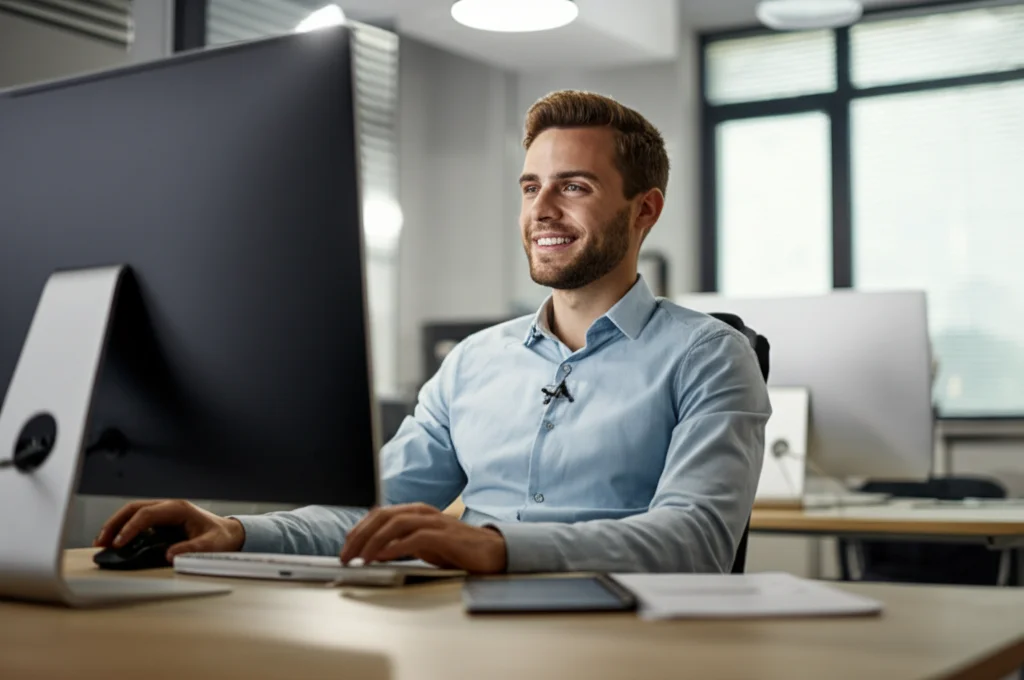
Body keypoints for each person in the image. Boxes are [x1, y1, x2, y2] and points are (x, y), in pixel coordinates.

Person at [95, 90, 771, 575]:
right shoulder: (474, 361)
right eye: (530, 186)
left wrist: (495, 547)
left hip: (624, 641)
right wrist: (234, 531)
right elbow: (371, 513)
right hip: (464, 628)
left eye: (574, 187)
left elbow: (695, 541)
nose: (540, 209)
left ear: (644, 210)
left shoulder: (709, 356)